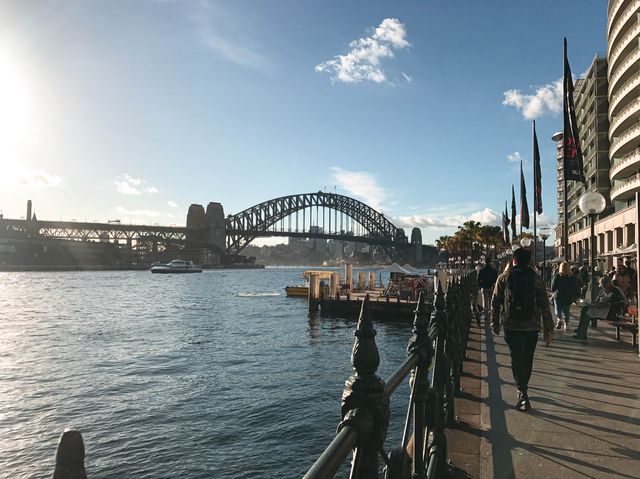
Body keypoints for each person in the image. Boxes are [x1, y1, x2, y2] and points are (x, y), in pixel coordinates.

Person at [491, 247, 554, 412]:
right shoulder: (536, 279)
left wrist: (495, 323)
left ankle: (521, 390)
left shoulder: (503, 277)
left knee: (515, 357)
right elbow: (544, 305)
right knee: (527, 359)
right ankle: (523, 389)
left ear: (514, 260)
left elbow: (495, 301)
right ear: (529, 261)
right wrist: (549, 329)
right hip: (532, 326)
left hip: (511, 325)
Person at [551, 262, 580, 330]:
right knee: (566, 311)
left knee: (558, 309)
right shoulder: (572, 277)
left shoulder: (557, 276)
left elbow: (553, 286)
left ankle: (559, 319)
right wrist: (576, 295)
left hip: (559, 295)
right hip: (568, 296)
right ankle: (566, 325)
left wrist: (553, 290)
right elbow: (575, 287)